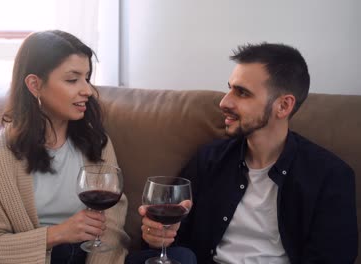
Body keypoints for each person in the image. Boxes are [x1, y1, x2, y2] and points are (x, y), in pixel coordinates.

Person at [136, 43, 358, 263]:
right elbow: (172, 238)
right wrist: (158, 236)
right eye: (230, 88)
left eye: (242, 93)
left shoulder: (330, 177)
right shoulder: (210, 159)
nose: (224, 102)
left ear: (283, 106)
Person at [0, 30, 129, 264]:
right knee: (64, 252)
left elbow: (111, 226)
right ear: (35, 84)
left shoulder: (97, 141)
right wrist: (57, 235)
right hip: (45, 257)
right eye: (72, 79)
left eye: (87, 78)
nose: (87, 91)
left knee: (182, 256)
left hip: (90, 257)